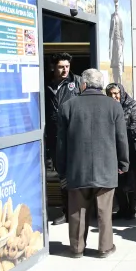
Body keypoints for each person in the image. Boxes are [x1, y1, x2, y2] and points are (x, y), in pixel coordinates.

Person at [57, 69, 129, 258]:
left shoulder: (68, 106)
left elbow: (61, 143)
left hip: (76, 168)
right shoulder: (114, 106)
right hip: (106, 167)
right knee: (105, 212)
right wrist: (123, 163)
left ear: (84, 84)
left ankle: (77, 248)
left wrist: (61, 168)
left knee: (77, 211)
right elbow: (122, 138)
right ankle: (105, 248)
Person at [46, 52, 82, 226]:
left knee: (76, 174)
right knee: (62, 175)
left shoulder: (77, 83)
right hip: (54, 137)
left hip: (74, 136)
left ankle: (80, 210)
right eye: (61, 67)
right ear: (54, 67)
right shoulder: (46, 84)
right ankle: (66, 211)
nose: (65, 70)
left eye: (67, 66)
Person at [106, 83, 136, 219]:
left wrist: (122, 136)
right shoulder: (107, 106)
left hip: (130, 148)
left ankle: (132, 208)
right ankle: (122, 207)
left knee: (131, 179)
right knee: (117, 180)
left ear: (121, 92)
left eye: (116, 93)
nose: (114, 96)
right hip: (113, 149)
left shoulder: (132, 105)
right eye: (110, 94)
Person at [108, 0, 124, 84]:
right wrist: (109, 45)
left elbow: (122, 30)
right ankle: (115, 81)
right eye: (115, 4)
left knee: (119, 60)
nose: (116, 6)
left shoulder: (120, 16)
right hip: (114, 41)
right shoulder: (112, 16)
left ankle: (120, 82)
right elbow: (110, 30)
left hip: (119, 41)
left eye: (117, 4)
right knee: (114, 61)